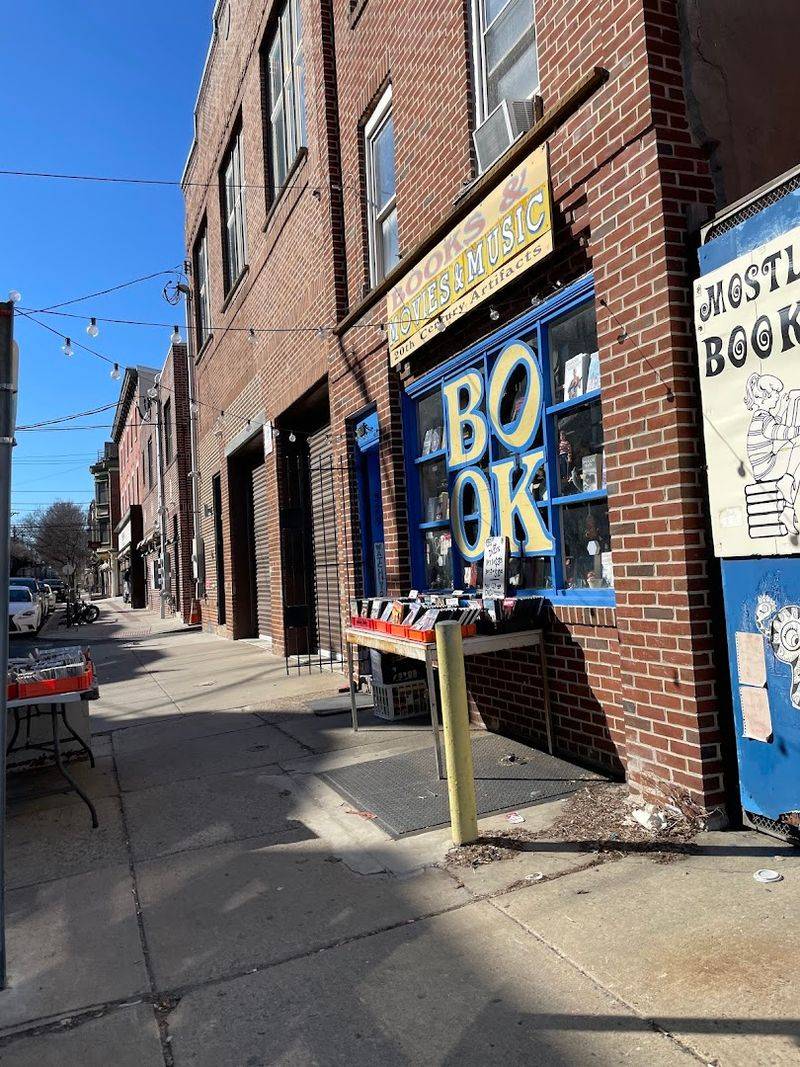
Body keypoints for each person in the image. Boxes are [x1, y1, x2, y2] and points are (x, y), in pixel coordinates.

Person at [745, 373, 800, 533]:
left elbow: (774, 422)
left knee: (795, 451)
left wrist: (783, 407)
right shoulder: (763, 418)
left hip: (764, 466)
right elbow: (777, 431)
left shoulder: (761, 416)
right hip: (766, 467)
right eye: (775, 394)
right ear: (763, 398)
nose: (777, 397)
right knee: (797, 445)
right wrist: (797, 430)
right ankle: (787, 481)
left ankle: (788, 511)